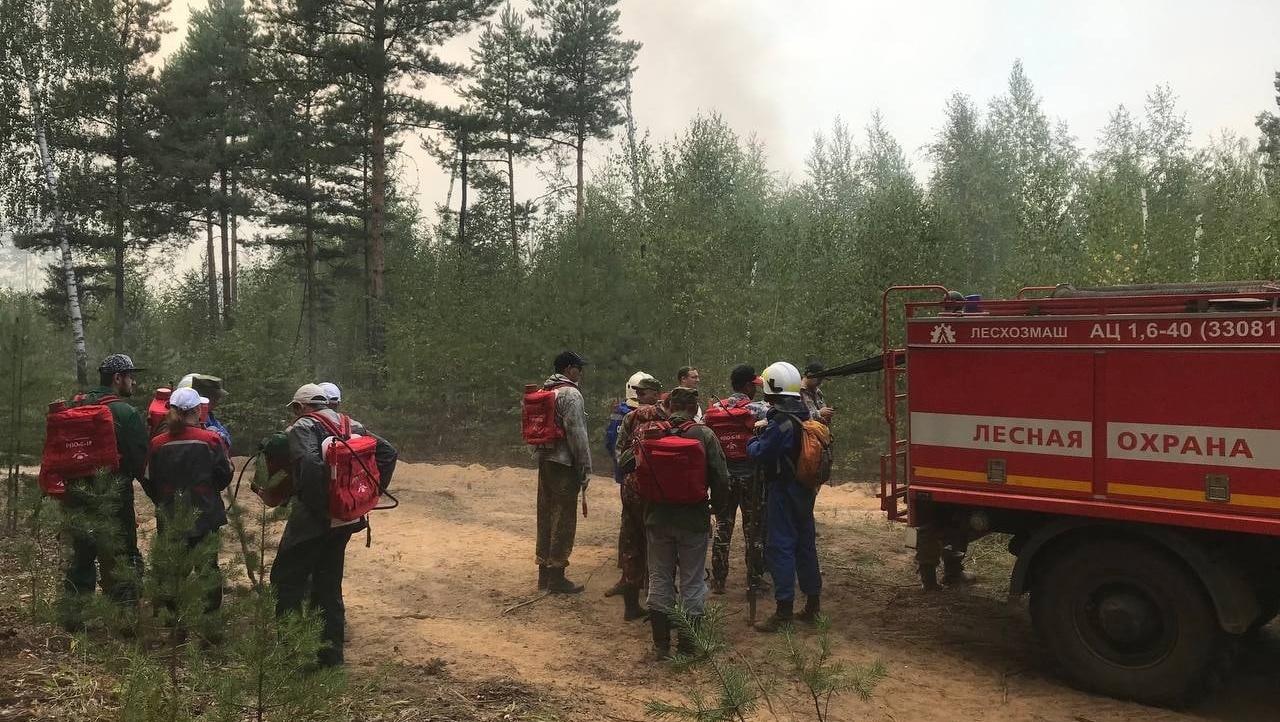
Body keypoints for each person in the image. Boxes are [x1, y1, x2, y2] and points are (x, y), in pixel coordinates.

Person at [270, 383, 398, 668]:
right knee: (328, 585)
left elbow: (310, 465)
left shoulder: (304, 426)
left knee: (286, 581)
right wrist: (365, 496)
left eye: (294, 409)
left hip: (314, 519)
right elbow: (388, 452)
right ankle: (330, 658)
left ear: (301, 406)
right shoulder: (352, 423)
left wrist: (320, 507)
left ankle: (291, 657)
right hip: (346, 519)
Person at [634, 387, 728, 660]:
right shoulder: (705, 434)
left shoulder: (650, 430)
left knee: (660, 578)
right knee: (692, 580)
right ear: (693, 407)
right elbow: (721, 478)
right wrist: (716, 507)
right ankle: (688, 647)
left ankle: (660, 646)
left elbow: (629, 462)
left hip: (657, 517)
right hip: (693, 519)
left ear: (670, 405)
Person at [58, 354, 149, 630]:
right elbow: (140, 460)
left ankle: (73, 618)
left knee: (82, 554)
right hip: (114, 495)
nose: (134, 381)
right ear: (117, 378)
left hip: (77, 495)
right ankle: (125, 621)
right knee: (122, 554)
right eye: (131, 376)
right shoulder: (125, 413)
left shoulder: (76, 405)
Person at [143, 387, 233, 616]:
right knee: (207, 570)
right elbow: (224, 475)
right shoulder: (211, 440)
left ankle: (175, 626)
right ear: (196, 411)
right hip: (205, 515)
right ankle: (209, 625)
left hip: (170, 515)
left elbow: (151, 479)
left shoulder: (157, 443)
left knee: (173, 572)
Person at [749, 361, 822, 632]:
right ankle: (813, 604)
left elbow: (762, 453)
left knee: (781, 546)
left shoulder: (780, 422)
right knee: (805, 545)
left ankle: (783, 612)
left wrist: (752, 441)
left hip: (783, 490)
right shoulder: (805, 413)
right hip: (804, 489)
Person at [707, 365, 770, 595]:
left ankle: (718, 581)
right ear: (746, 386)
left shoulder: (715, 409)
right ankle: (754, 580)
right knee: (753, 530)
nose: (755, 389)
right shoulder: (760, 409)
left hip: (724, 478)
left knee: (723, 526)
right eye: (753, 385)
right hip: (751, 477)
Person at [534, 351, 592, 594]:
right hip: (565, 463)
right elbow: (577, 434)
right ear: (570, 369)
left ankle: (543, 574)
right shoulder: (571, 394)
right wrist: (585, 467)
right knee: (564, 518)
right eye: (579, 368)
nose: (581, 372)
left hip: (545, 459)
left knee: (545, 514)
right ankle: (557, 575)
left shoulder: (545, 390)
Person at [608, 376, 665, 621]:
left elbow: (619, 449)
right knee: (657, 544)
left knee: (633, 544)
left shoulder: (630, 417)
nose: (643, 397)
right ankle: (656, 605)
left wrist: (629, 471)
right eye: (643, 393)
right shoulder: (665, 417)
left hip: (631, 487)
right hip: (653, 489)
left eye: (646, 393)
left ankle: (632, 605)